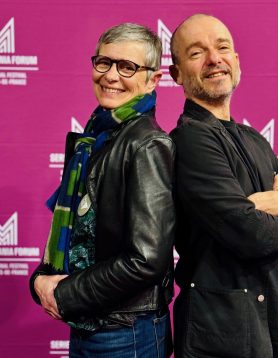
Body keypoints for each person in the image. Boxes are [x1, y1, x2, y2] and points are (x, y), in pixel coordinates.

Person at [169, 14, 278, 358]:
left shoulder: (252, 138)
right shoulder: (189, 140)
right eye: (196, 53)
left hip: (272, 326)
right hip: (223, 336)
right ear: (176, 74)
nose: (214, 59)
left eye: (222, 47)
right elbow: (250, 234)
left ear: (236, 61)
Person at [29, 23, 175, 357]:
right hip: (91, 323)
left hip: (126, 332)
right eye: (104, 62)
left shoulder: (148, 144)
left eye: (127, 67)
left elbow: (146, 260)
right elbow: (80, 235)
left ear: (153, 79)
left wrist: (65, 295)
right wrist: (41, 280)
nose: (110, 76)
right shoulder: (95, 136)